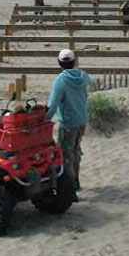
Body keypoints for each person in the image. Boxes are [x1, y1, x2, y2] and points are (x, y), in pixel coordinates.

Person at [46, 49, 89, 198]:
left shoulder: (61, 80)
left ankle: (69, 187)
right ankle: (76, 181)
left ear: (59, 63)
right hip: (82, 121)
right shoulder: (83, 76)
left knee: (65, 156)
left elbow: (53, 104)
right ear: (74, 61)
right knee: (76, 152)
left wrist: (44, 119)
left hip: (68, 123)